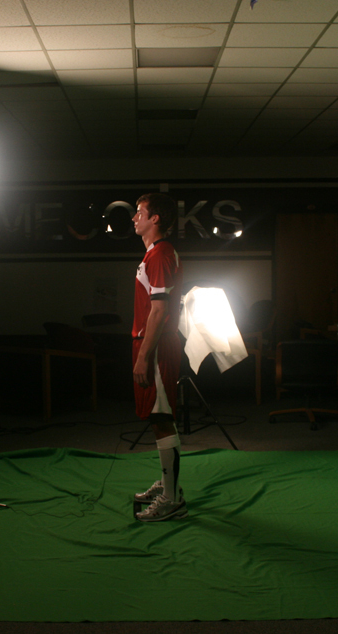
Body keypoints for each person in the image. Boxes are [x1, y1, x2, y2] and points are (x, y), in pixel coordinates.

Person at [131, 193, 186, 522]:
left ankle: (173, 498)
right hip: (150, 345)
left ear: (156, 219)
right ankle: (169, 484)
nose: (134, 217)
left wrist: (143, 357)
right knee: (157, 417)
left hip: (156, 347)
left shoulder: (161, 254)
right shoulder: (154, 253)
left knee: (162, 418)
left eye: (140, 212)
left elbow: (160, 311)